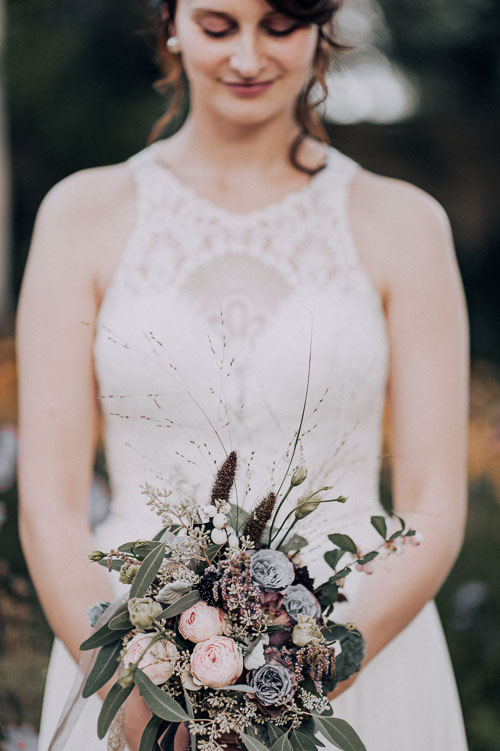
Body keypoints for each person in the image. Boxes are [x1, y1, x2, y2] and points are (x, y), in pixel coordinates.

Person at [16, 0, 470, 749]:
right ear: (171, 23)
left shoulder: (406, 224)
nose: (250, 57)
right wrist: (135, 692)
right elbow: (51, 506)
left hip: (361, 652)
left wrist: (306, 675)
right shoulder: (81, 215)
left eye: (280, 26)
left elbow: (433, 506)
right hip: (135, 652)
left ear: (323, 28)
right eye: (219, 26)